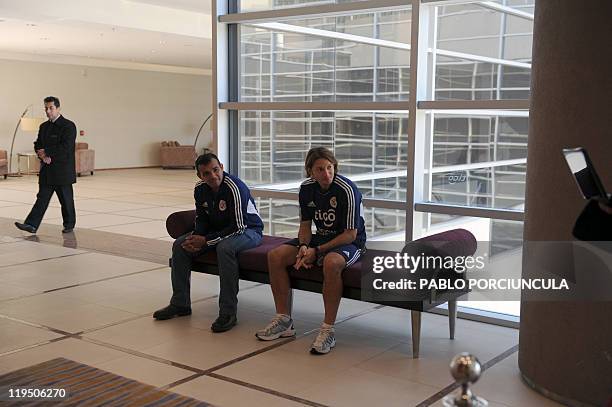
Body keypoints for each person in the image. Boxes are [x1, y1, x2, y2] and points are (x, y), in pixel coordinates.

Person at [256, 147, 366, 354]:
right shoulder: (306, 188)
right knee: (275, 256)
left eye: (329, 168)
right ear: (310, 171)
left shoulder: (347, 190)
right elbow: (305, 226)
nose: (326, 174)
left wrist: (317, 250)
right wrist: (305, 247)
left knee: (331, 262)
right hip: (320, 238)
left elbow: (350, 234)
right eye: (320, 169)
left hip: (349, 242)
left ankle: (327, 330)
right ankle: (283, 320)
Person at [154, 153, 264, 333]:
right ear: (200, 176)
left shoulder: (234, 187)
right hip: (220, 230)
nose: (213, 176)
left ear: (221, 166)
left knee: (225, 248)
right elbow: (202, 219)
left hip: (249, 231)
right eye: (206, 173)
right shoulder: (200, 189)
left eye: (215, 170)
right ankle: (180, 303)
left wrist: (205, 241)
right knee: (181, 245)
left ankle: (228, 312)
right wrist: (196, 237)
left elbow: (238, 227)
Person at [15, 96, 77, 234]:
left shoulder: (68, 126)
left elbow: (66, 148)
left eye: (51, 108)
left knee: (66, 201)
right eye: (46, 108)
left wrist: (48, 153)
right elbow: (38, 143)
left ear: (58, 108)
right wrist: (42, 154)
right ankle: (31, 225)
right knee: (41, 199)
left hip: (62, 171)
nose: (48, 111)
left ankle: (69, 225)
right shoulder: (44, 126)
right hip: (47, 170)